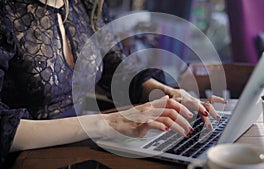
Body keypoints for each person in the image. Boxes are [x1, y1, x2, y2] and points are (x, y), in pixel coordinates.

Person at [0, 0, 227, 168]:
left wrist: (165, 94)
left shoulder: (84, 4)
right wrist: (109, 122)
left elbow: (114, 65)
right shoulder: (6, 12)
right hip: (28, 160)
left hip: (84, 150)